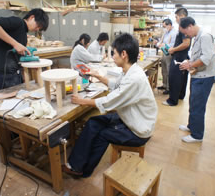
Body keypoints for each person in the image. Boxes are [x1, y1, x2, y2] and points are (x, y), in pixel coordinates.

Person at [62, 33, 158, 177]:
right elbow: (115, 85)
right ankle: (75, 163)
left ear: (123, 54)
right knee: (93, 122)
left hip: (139, 129)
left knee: (103, 134)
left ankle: (83, 171)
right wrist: (98, 76)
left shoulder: (134, 78)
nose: (112, 56)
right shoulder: (129, 70)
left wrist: (82, 101)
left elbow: (109, 101)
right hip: (130, 117)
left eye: (114, 53)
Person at [0, 8, 49, 91]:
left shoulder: (23, 32)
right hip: (5, 73)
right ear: (31, 18)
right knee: (8, 101)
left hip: (14, 71)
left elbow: (17, 54)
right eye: (38, 26)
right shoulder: (18, 22)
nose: (37, 29)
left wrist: (30, 64)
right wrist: (15, 44)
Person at [179, 17, 215, 143]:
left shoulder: (205, 36)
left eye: (185, 32)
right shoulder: (197, 37)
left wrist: (190, 65)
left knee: (198, 106)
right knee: (193, 102)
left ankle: (197, 135)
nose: (186, 35)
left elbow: (206, 58)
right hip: (198, 76)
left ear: (190, 26)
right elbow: (198, 56)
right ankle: (192, 126)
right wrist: (189, 62)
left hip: (204, 77)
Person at [163, 7, 191, 106]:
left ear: (182, 16)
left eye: (176, 17)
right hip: (183, 56)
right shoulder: (187, 27)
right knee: (182, 78)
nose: (176, 19)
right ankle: (180, 96)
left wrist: (173, 49)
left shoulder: (183, 27)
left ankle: (172, 100)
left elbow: (186, 43)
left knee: (174, 78)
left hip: (179, 57)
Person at [156, 19, 177, 94]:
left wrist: (165, 45)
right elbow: (162, 41)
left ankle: (168, 87)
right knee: (163, 70)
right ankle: (164, 85)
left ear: (170, 25)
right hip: (164, 52)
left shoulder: (174, 33)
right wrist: (158, 44)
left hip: (169, 53)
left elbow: (174, 45)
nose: (164, 28)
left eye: (165, 26)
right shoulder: (166, 32)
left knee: (168, 70)